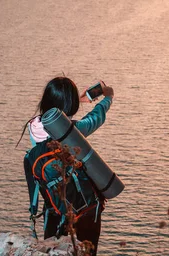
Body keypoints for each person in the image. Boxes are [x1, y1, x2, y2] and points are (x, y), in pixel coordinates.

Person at [21, 76, 114, 255]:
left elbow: (54, 115)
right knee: (85, 251)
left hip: (53, 206)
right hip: (83, 207)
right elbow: (96, 118)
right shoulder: (73, 131)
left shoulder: (33, 126)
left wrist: (73, 100)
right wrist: (108, 96)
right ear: (69, 106)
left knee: (53, 250)